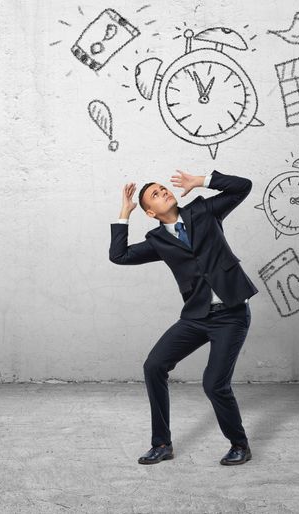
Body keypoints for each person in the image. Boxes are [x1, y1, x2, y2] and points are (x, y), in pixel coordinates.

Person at [109, 169, 259, 466]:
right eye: (155, 194)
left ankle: (239, 444)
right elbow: (119, 255)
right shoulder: (157, 241)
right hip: (197, 316)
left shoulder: (203, 210)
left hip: (231, 314)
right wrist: (125, 212)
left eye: (163, 188)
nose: (163, 191)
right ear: (150, 212)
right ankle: (161, 444)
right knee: (154, 366)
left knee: (214, 383)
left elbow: (243, 186)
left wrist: (202, 181)